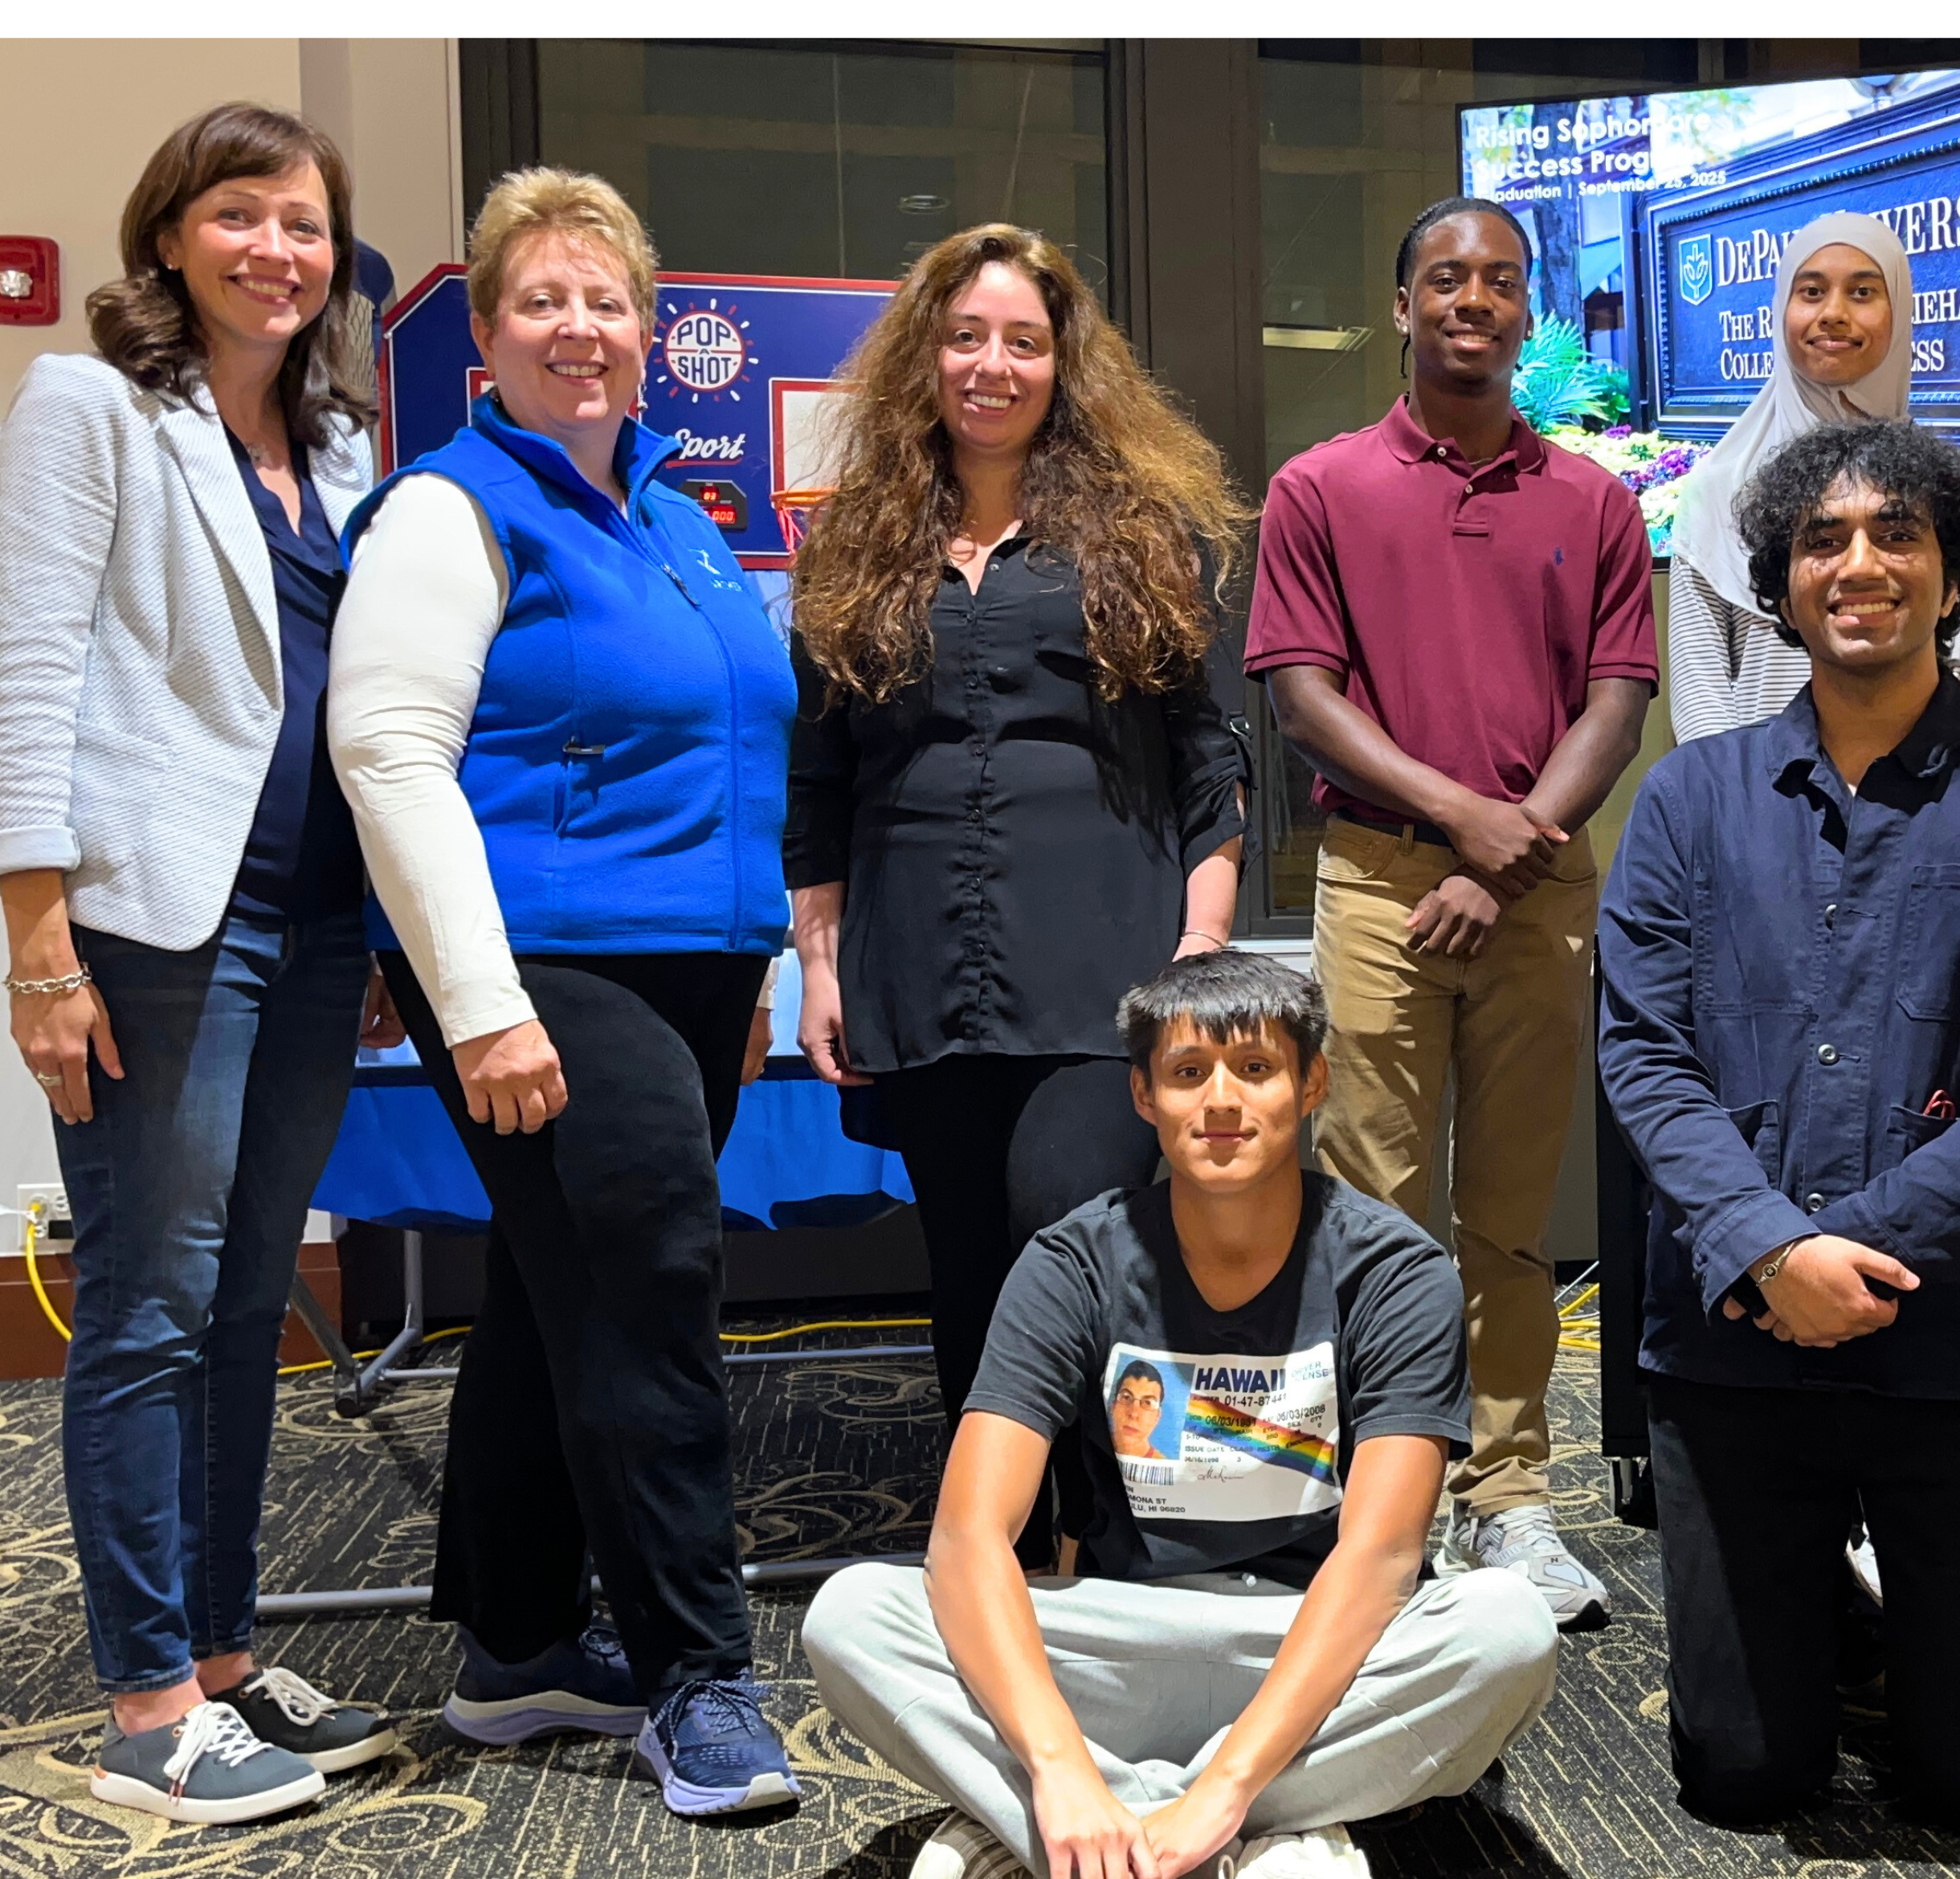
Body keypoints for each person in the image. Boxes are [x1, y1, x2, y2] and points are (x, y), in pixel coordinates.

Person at [329, 168, 798, 1816]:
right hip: (544, 963)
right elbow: (388, 754)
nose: (578, 329)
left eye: (606, 300)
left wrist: (757, 960)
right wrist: (478, 1002)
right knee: (653, 1289)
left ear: (651, 329)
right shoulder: (450, 506)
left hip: (690, 965)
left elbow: (735, 746)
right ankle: (698, 1671)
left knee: (558, 1292)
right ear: (485, 328)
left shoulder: (674, 517)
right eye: (541, 300)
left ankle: (521, 1639)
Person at [1599, 419, 1960, 1834]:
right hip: (1732, 1339)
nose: (1857, 564)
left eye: (1895, 534)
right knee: (1741, 1779)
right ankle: (1813, 1606)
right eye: (1820, 540)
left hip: (1957, 1340)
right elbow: (1642, 1056)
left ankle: (1922, 1614)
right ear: (1777, 584)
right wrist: (1768, 1247)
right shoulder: (1685, 797)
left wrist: (1855, 1253)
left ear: (1953, 573)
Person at [803, 952, 1558, 1879]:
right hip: (1117, 1636)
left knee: (1507, 1626)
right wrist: (1058, 1766)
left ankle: (1096, 1836)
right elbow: (968, 1536)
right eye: (1187, 1072)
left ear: (1311, 1081)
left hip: (1313, 1643)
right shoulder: (1072, 1260)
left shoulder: (1395, 1272)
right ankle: (1236, 1827)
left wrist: (1222, 1790)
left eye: (1255, 1067)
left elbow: (1378, 1558)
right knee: (851, 1614)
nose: (1222, 1101)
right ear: (1143, 1095)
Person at [0, 103, 401, 1824]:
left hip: (316, 925)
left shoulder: (343, 447)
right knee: (153, 1308)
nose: (276, 252)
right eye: (240, 216)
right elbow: (27, 665)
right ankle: (150, 1698)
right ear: (171, 232)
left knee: (251, 1302)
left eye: (304, 224)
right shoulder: (93, 406)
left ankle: (226, 1658)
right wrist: (35, 935)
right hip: (161, 924)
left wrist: (379, 922)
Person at [785, 222, 1249, 1571]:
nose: (991, 364)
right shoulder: (854, 544)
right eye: (966, 335)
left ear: (1063, 363)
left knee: (1074, 1230)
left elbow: (1206, 755)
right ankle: (999, 1540)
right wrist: (819, 965)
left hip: (1100, 955)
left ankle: (1113, 1543)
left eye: (1022, 341)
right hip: (914, 956)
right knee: (965, 1260)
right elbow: (818, 778)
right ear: (924, 355)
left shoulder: (1137, 531)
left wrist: (1200, 944)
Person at [1245, 197, 1652, 1628]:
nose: (1470, 299)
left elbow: (1615, 696)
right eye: (1443, 278)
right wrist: (1453, 818)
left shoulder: (1591, 501)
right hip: (1372, 877)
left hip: (1535, 884)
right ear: (1401, 304)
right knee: (1373, 1200)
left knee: (1509, 1208)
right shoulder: (1320, 486)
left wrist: (1506, 843)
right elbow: (1302, 692)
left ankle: (1508, 1498)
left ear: (1524, 310)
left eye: (1497, 280)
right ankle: (1387, 1489)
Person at [1667, 209, 1960, 740]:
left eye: (1862, 292)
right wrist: (1741, 807)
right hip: (1758, 804)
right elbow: (1701, 694)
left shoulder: (1955, 491)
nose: (1832, 313)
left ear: (1899, 315)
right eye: (1810, 292)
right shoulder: (1719, 488)